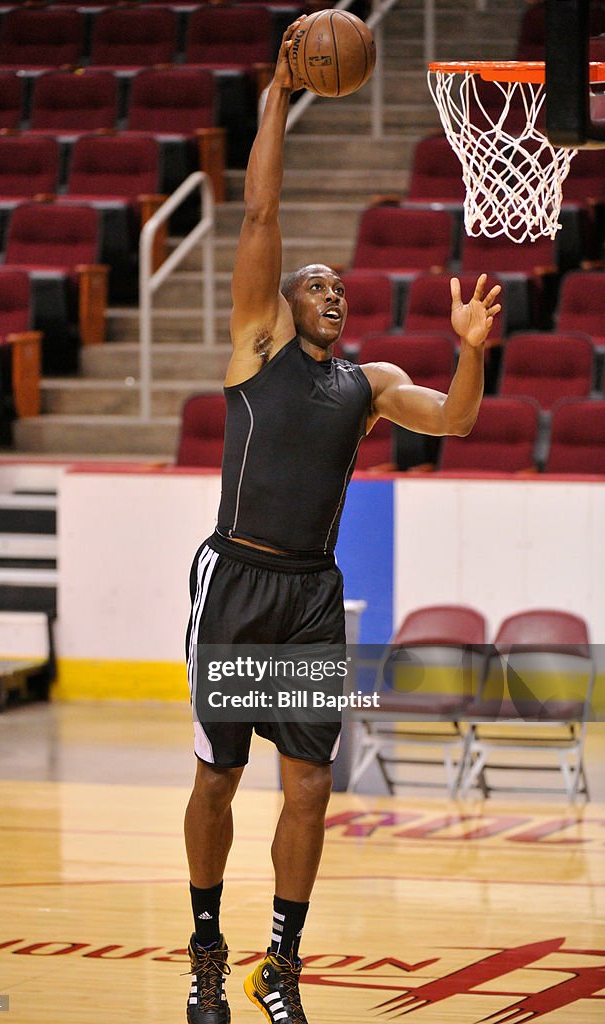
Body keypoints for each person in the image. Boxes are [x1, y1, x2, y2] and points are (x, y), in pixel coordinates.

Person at [183, 19, 501, 1024]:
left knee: (313, 783)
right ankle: (203, 944)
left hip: (312, 595)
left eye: (339, 286)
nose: (333, 289)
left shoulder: (370, 384)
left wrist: (471, 351)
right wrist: (278, 95)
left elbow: (451, 419)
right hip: (235, 579)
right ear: (278, 306)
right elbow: (263, 208)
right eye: (314, 283)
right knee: (221, 776)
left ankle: (280, 962)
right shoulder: (253, 349)